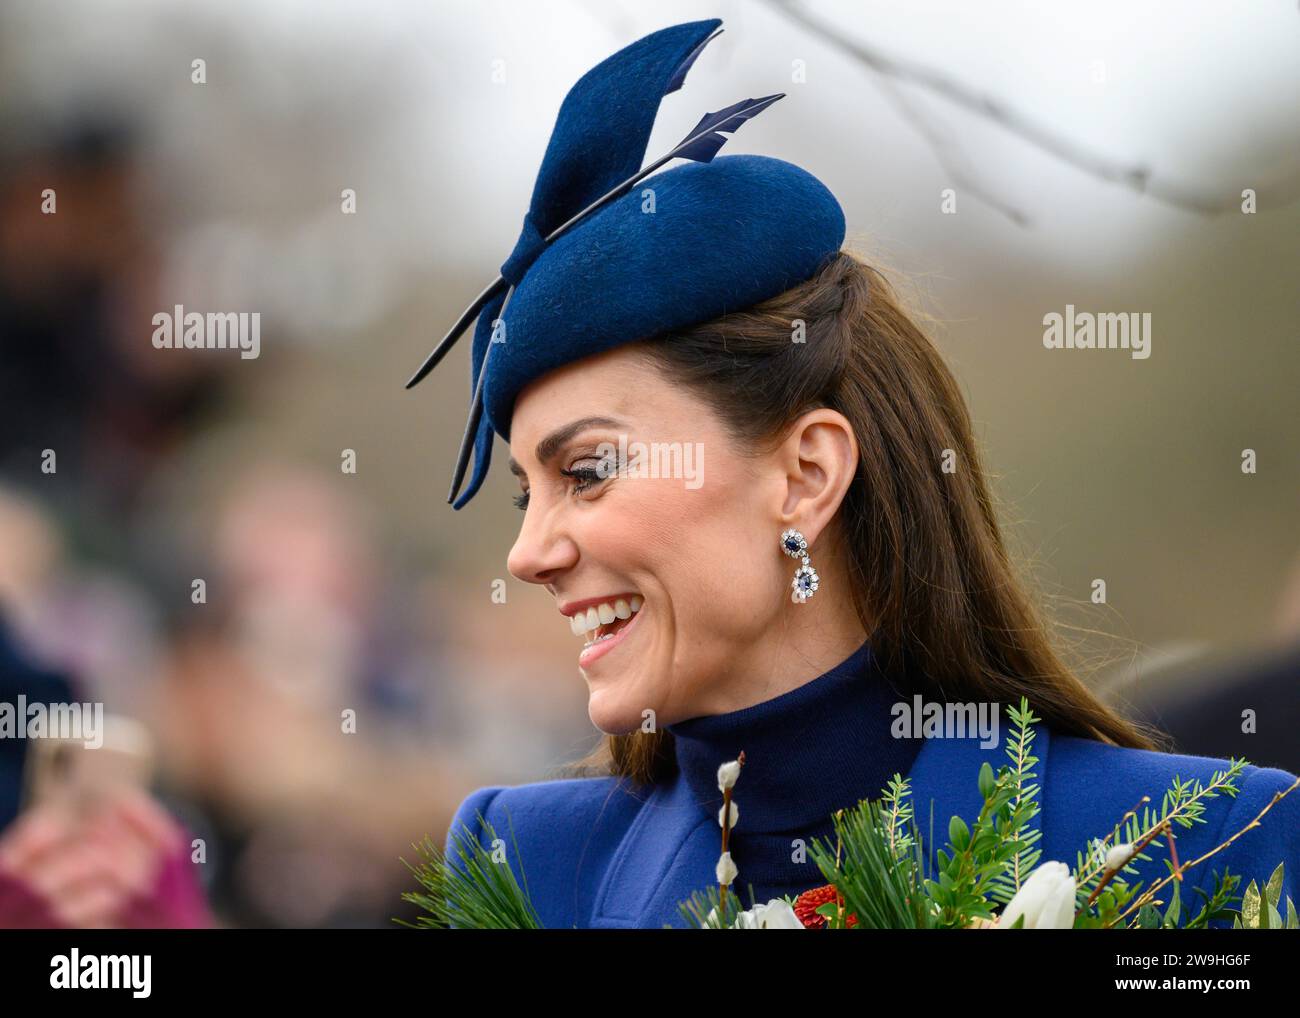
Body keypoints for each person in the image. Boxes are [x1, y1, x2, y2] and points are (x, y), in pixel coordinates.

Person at [415, 18, 1299, 928]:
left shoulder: (1206, 847)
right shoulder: (524, 864)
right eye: (530, 491)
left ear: (805, 474)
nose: (526, 554)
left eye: (588, 471)